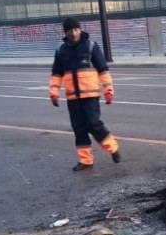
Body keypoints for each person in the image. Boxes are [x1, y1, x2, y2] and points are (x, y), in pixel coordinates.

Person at [49, 17, 121, 171]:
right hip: (73, 97)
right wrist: (54, 92)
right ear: (65, 33)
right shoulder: (61, 50)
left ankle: (112, 148)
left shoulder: (91, 46)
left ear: (80, 29)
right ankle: (85, 160)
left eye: (76, 29)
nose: (73, 33)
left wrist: (108, 90)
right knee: (79, 128)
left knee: (93, 124)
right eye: (69, 31)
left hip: (90, 96)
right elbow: (56, 73)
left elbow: (103, 70)